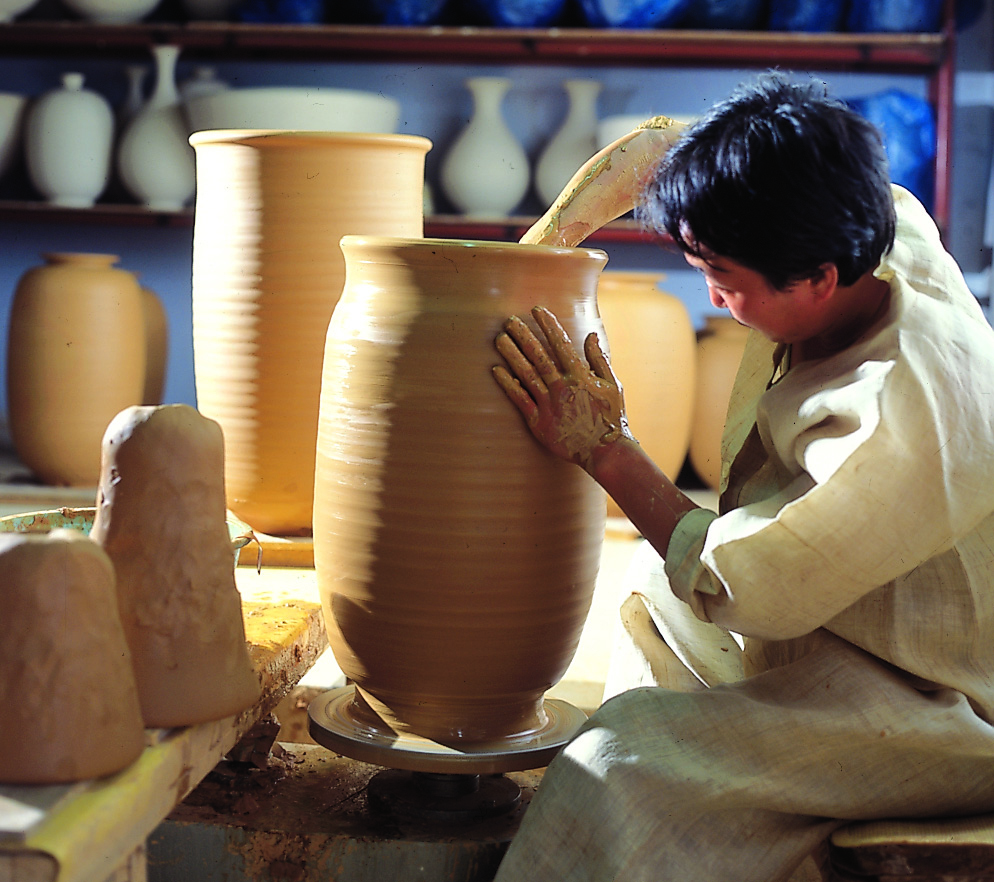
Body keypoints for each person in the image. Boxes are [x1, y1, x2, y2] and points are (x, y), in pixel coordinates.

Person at [489, 73, 994, 882]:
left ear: (818, 280)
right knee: (653, 587)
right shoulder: (872, 222)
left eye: (723, 276)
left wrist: (607, 449)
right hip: (838, 630)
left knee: (619, 761)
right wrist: (541, 249)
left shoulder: (896, 413)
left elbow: (745, 584)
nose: (716, 298)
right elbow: (665, 152)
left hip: (934, 700)